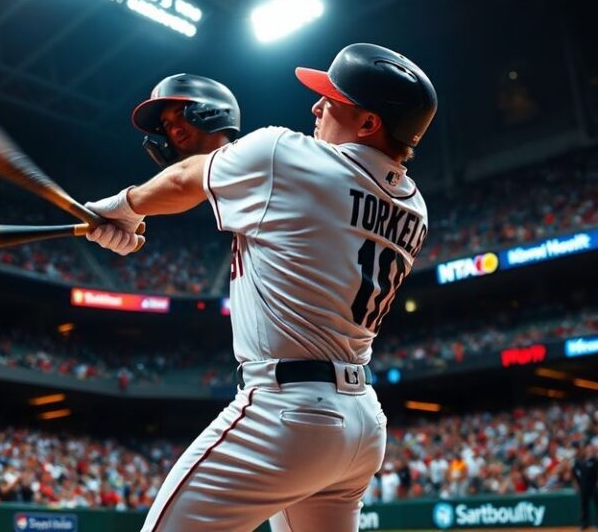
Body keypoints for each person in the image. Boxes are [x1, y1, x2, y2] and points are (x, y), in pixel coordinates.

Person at [86, 43, 437, 531]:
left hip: (288, 412)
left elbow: (188, 176)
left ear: (368, 123)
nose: (316, 107)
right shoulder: (414, 206)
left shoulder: (285, 156)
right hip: (360, 426)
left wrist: (123, 206)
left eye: (331, 100)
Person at [572, 441, 598, 530]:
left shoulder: (595, 460)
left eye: (591, 448)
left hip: (594, 486)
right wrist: (576, 485)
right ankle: (584, 524)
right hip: (583, 486)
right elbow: (575, 475)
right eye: (588, 448)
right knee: (584, 506)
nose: (589, 449)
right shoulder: (579, 461)